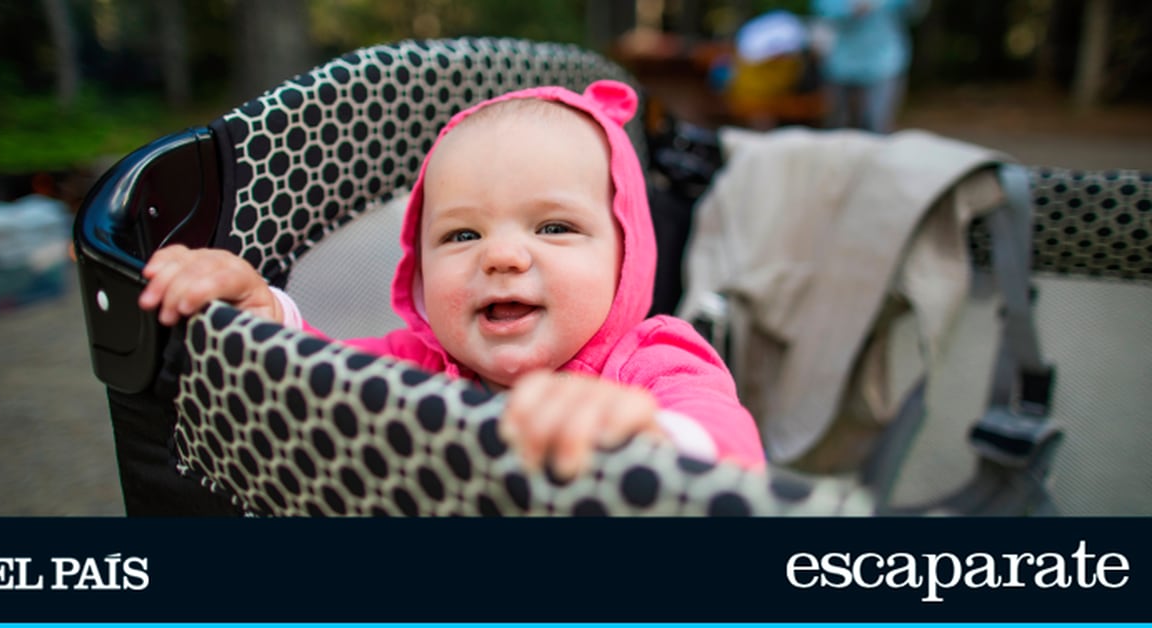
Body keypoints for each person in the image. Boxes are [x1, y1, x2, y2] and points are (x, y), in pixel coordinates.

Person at [139, 80, 765, 480]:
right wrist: (264, 318)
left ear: (628, 257)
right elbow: (319, 385)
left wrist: (652, 437)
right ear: (419, 265)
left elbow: (729, 447)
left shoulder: (654, 362)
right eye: (462, 235)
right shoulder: (414, 367)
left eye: (553, 227)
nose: (502, 257)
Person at [811, 0, 928, 134]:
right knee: (837, 125)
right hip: (840, 66)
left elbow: (913, 10)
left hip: (884, 65)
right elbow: (823, 9)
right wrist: (851, 8)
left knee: (876, 125)